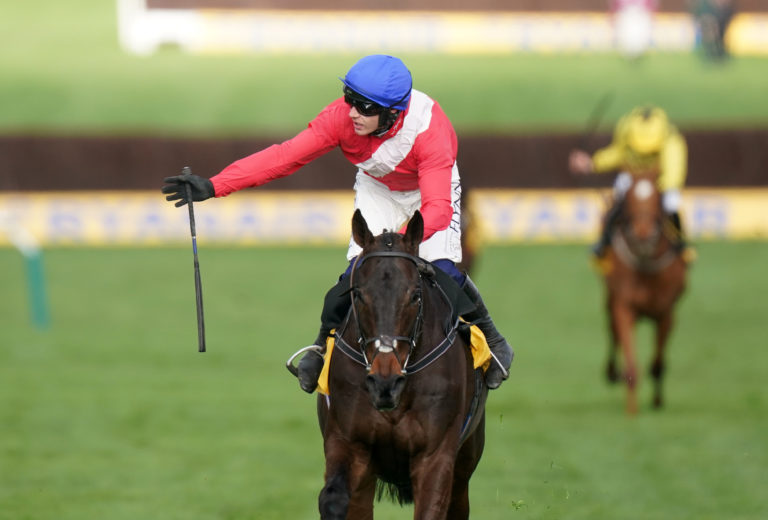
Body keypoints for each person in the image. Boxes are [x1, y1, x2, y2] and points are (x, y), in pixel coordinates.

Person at [162, 54, 513, 392]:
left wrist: (398, 242)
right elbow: (285, 157)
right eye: (350, 99)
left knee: (440, 268)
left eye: (365, 107)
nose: (353, 113)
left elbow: (436, 209)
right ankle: (320, 349)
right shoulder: (340, 118)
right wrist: (214, 185)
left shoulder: (431, 131)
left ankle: (493, 338)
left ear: (394, 113)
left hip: (428, 189)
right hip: (378, 188)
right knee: (358, 273)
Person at [569, 105, 692, 259]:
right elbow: (617, 153)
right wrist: (591, 163)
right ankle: (604, 242)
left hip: (658, 180)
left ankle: (680, 245)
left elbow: (674, 168)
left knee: (671, 204)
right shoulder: (626, 129)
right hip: (631, 175)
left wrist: (661, 187)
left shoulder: (670, 137)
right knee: (616, 203)